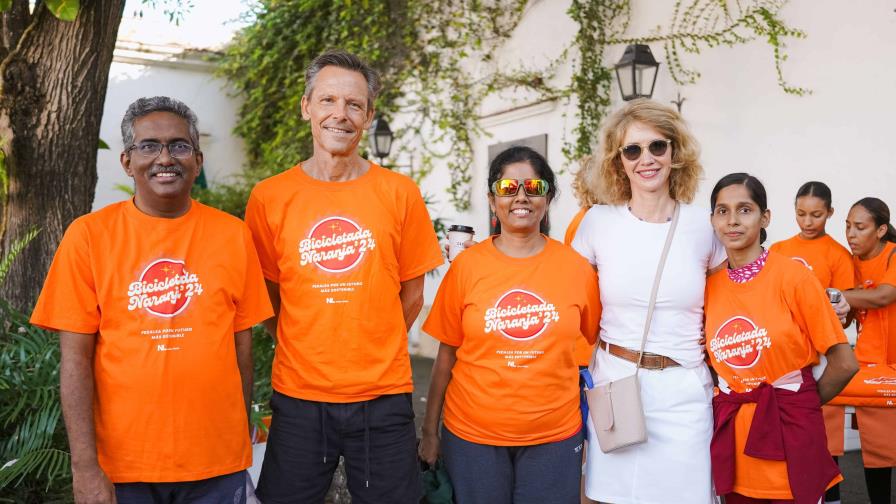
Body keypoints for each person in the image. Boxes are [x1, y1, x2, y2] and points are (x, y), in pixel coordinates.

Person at [30, 96, 273, 504]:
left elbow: (241, 345)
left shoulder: (233, 236)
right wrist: (84, 468)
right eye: (149, 146)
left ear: (197, 160)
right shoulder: (88, 237)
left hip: (216, 464)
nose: (165, 157)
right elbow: (75, 360)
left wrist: (236, 439)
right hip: (123, 468)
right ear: (127, 161)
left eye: (179, 145)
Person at [245, 50, 443, 504]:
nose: (341, 114)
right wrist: (301, 340)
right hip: (298, 396)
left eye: (354, 104)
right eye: (329, 100)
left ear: (369, 115)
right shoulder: (270, 197)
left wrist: (374, 339)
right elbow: (265, 294)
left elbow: (413, 291)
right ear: (306, 107)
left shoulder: (399, 193)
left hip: (383, 394)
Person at [418, 146, 600, 504]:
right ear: (491, 200)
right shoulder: (467, 266)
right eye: (507, 188)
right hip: (473, 437)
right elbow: (445, 358)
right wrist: (429, 431)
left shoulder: (577, 268)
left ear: (547, 197)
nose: (521, 197)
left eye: (534, 187)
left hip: (554, 436)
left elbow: (598, 338)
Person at [571, 98, 725, 504]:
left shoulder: (703, 226)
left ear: (675, 152)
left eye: (657, 146)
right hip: (617, 387)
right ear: (617, 160)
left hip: (684, 394)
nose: (646, 159)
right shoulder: (596, 224)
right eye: (632, 150)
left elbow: (736, 299)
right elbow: (565, 300)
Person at [704, 173, 858, 504]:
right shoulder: (708, 287)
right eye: (722, 211)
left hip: (791, 438)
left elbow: (845, 363)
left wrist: (798, 405)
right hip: (736, 443)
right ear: (712, 219)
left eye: (744, 210)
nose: (732, 220)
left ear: (765, 217)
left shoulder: (794, 277)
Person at [769, 181, 854, 504]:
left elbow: (844, 315)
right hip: (781, 354)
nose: (807, 222)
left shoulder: (838, 256)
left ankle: (829, 497)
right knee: (783, 432)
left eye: (816, 215)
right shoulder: (779, 250)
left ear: (830, 213)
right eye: (801, 214)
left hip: (820, 355)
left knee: (823, 436)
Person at [840, 197, 896, 504]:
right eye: (848, 226)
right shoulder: (851, 262)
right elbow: (848, 315)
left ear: (881, 230)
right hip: (870, 366)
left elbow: (883, 296)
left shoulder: (893, 256)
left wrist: (830, 294)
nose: (851, 234)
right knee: (877, 449)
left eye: (860, 227)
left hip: (893, 364)